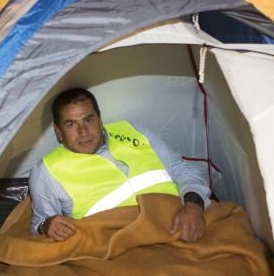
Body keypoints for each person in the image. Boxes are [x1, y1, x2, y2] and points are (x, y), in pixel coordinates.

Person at [29, 88, 210, 242]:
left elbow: (181, 169)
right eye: (71, 125)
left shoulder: (135, 131)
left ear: (100, 120)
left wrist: (193, 206)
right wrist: (48, 225)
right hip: (114, 244)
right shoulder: (46, 171)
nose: (83, 132)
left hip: (179, 225)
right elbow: (40, 223)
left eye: (88, 120)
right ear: (58, 132)